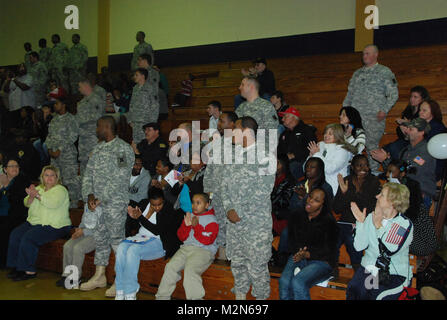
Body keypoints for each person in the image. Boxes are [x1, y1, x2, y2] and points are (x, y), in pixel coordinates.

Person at [219, 117, 276, 300]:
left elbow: (263, 191)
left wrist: (239, 212)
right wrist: (229, 209)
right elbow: (224, 186)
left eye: (235, 128)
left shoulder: (266, 156)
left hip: (255, 224)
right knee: (237, 264)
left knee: (257, 266)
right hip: (234, 225)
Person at [79, 116, 134, 292]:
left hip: (114, 204)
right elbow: (87, 174)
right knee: (100, 239)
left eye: (98, 126)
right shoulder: (97, 149)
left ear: (106, 127)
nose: (96, 130)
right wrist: (89, 195)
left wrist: (99, 197)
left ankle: (121, 280)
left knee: (117, 241)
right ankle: (100, 276)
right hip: (97, 204)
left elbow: (121, 177)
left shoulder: (122, 149)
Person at [346, 182, 413, 300]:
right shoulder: (372, 216)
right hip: (372, 270)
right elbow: (359, 246)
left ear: (393, 202)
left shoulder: (403, 224)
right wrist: (361, 223)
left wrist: (378, 226)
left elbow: (389, 250)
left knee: (379, 296)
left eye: (381, 195)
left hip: (393, 274)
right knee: (355, 292)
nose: (377, 196)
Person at [115, 188, 183, 300]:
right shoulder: (143, 204)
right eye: (153, 204)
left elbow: (157, 230)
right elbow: (134, 225)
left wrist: (141, 217)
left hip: (158, 242)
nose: (157, 207)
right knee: (121, 247)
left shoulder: (168, 208)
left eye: (159, 204)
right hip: (141, 238)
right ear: (149, 200)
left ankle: (130, 291)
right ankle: (120, 289)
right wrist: (134, 217)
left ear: (163, 200)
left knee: (133, 250)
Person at [6, 165, 71, 281]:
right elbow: (26, 203)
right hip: (36, 223)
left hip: (56, 225)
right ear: (42, 177)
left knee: (29, 238)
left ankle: (29, 271)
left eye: (52, 175)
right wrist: (31, 196)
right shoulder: (39, 188)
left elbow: (52, 203)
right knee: (15, 234)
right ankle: (17, 267)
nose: (49, 178)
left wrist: (36, 195)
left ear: (57, 178)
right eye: (46, 175)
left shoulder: (61, 190)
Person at [343, 44, 399, 173]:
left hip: (373, 118)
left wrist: (384, 110)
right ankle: (350, 174)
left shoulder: (384, 72)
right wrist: (345, 114)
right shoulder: (357, 73)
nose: (364, 56)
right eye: (363, 54)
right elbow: (349, 95)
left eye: (368, 53)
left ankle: (372, 174)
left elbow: (393, 94)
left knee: (371, 147)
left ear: (376, 54)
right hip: (356, 118)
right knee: (350, 146)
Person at [155, 193, 218, 300]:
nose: (195, 205)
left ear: (207, 205)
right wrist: (186, 225)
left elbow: (207, 240)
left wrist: (196, 226)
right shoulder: (190, 216)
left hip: (203, 251)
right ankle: (162, 297)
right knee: (170, 267)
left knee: (190, 270)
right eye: (193, 202)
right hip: (186, 249)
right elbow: (181, 237)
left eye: (199, 203)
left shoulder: (211, 220)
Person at [279, 188, 338, 300]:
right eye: (310, 197)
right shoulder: (298, 215)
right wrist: (299, 252)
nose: (310, 201)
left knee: (298, 282)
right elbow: (292, 240)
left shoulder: (329, 222)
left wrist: (307, 254)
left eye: (316, 200)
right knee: (284, 281)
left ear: (322, 204)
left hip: (322, 262)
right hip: (299, 255)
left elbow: (329, 251)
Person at [371, 118, 437, 209]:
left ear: (421, 132)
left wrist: (385, 160)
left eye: (411, 129)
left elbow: (410, 171)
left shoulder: (425, 151)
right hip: (405, 193)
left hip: (419, 195)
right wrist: (386, 160)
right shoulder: (406, 150)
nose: (407, 131)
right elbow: (397, 171)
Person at [333, 154, 381, 272]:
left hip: (364, 223)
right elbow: (336, 208)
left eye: (366, 165)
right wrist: (344, 193)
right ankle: (332, 272)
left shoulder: (373, 181)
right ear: (353, 167)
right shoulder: (346, 181)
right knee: (332, 238)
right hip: (344, 222)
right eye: (359, 165)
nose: (363, 168)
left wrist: (348, 194)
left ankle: (358, 270)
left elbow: (368, 207)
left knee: (350, 239)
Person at [382, 160, 438, 257]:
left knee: (389, 239)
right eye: (387, 171)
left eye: (391, 172)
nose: (387, 174)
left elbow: (410, 215)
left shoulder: (412, 186)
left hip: (418, 233)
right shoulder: (389, 186)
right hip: (404, 227)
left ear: (402, 173)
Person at [203, 111, 238, 261]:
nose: (219, 124)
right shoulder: (217, 143)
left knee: (231, 225)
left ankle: (232, 256)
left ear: (232, 124)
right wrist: (207, 192)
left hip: (232, 194)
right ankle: (221, 255)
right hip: (216, 193)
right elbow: (209, 169)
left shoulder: (239, 143)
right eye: (219, 121)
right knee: (218, 223)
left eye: (222, 121)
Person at [45, 97, 80, 208]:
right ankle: (57, 204)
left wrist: (59, 149)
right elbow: (49, 136)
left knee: (70, 181)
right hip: (54, 157)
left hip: (67, 155)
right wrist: (50, 149)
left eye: (57, 103)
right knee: (55, 180)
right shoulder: (54, 119)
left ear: (63, 104)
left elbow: (73, 136)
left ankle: (73, 205)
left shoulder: (71, 119)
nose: (54, 106)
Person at [56, 201, 98, 288]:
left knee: (78, 248)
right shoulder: (88, 203)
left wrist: (84, 231)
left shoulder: (105, 205)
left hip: (98, 235)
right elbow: (83, 222)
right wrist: (78, 229)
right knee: (67, 246)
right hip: (84, 232)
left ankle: (75, 279)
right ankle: (66, 275)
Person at [307, 123, 356, 196]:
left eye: (330, 134)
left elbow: (330, 169)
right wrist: (310, 156)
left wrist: (317, 154)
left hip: (332, 186)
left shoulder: (342, 150)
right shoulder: (321, 145)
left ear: (337, 135)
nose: (326, 136)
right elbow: (305, 168)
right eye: (325, 133)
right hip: (316, 183)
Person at [384, 86, 430, 160]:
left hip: (415, 141)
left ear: (422, 98)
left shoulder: (422, 113)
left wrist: (408, 124)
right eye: (411, 96)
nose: (412, 99)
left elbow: (421, 128)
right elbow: (400, 131)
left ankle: (399, 169)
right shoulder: (408, 111)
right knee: (386, 148)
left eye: (415, 97)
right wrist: (403, 127)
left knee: (394, 148)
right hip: (405, 139)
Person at [0, 157, 30, 268]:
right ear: (5, 169)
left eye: (16, 166)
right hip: (2, 213)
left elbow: (19, 200)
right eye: (11, 166)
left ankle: (4, 262)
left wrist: (6, 188)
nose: (15, 168)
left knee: (4, 228)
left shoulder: (22, 180)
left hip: (15, 215)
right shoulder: (1, 179)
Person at [236, 76, 279, 152]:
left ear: (251, 87)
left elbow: (272, 134)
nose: (239, 87)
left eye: (242, 85)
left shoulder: (266, 106)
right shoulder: (240, 107)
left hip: (259, 150)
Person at [75, 78, 105, 176]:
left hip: (93, 137)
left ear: (86, 85)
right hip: (83, 138)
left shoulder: (95, 99)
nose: (79, 89)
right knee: (84, 164)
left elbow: (98, 116)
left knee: (94, 164)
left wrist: (79, 119)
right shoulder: (82, 102)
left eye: (80, 86)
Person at [277, 107, 317, 180]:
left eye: (285, 117)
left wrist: (294, 155)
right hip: (285, 161)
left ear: (293, 117)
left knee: (292, 166)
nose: (282, 119)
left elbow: (311, 148)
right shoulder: (284, 134)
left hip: (301, 161)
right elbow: (279, 150)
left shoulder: (306, 130)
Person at [128, 68, 159, 144]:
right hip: (135, 122)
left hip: (146, 122)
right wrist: (130, 120)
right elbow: (131, 104)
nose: (134, 77)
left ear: (143, 76)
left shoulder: (150, 88)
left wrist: (152, 123)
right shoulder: (135, 88)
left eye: (136, 75)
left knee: (146, 143)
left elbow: (155, 106)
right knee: (136, 143)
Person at [418, 99, 447, 181]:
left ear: (432, 112)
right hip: (423, 160)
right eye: (420, 110)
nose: (420, 112)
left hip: (433, 165)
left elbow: (426, 149)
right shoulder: (422, 126)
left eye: (424, 110)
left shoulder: (437, 127)